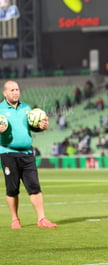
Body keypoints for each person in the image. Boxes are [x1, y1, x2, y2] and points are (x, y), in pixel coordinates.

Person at [0, 80, 57, 229]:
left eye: (17, 89)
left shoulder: (26, 108)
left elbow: (31, 127)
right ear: (5, 93)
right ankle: (15, 220)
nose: (15, 92)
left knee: (34, 186)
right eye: (12, 90)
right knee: (12, 189)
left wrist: (41, 127)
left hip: (27, 153)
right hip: (7, 153)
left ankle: (41, 219)